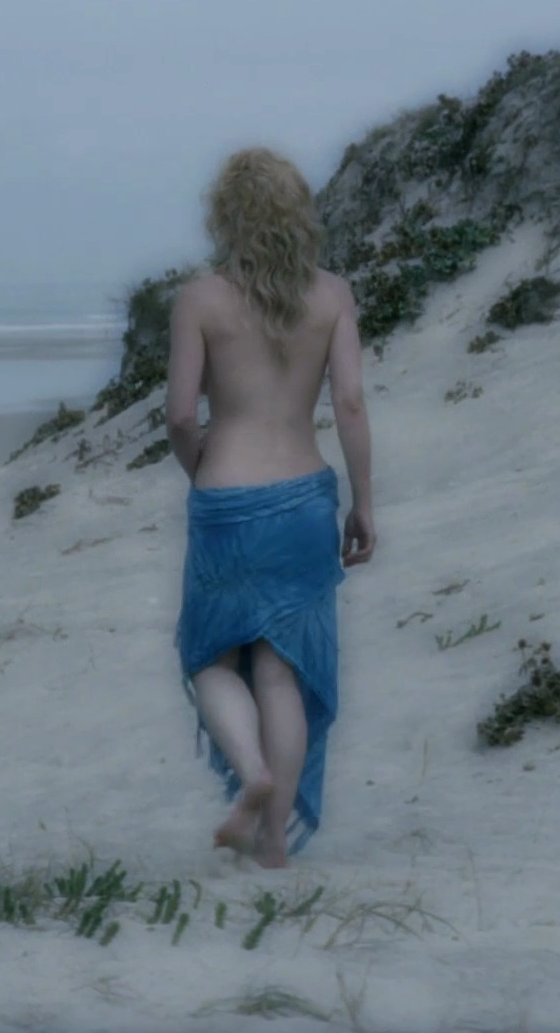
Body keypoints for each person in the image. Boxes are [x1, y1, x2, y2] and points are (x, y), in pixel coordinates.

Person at [165, 146, 376, 869]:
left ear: (225, 216)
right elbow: (350, 402)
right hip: (304, 497)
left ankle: (251, 771)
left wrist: (201, 472)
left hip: (225, 496)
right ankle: (275, 840)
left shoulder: (201, 299)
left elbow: (181, 415)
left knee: (210, 658)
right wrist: (363, 503)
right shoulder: (332, 295)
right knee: (282, 671)